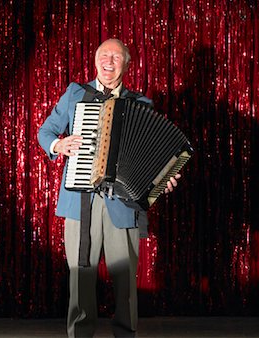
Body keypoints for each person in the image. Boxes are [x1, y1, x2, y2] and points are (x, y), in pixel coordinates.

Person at [38, 38, 180, 338]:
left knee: (125, 280)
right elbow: (46, 131)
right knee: (81, 276)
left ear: (126, 65)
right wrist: (58, 144)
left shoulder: (140, 104)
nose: (109, 61)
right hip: (79, 202)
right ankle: (79, 334)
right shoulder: (76, 94)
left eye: (116, 57)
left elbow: (151, 156)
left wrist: (163, 178)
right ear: (95, 60)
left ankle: (125, 334)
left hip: (123, 205)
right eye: (104, 54)